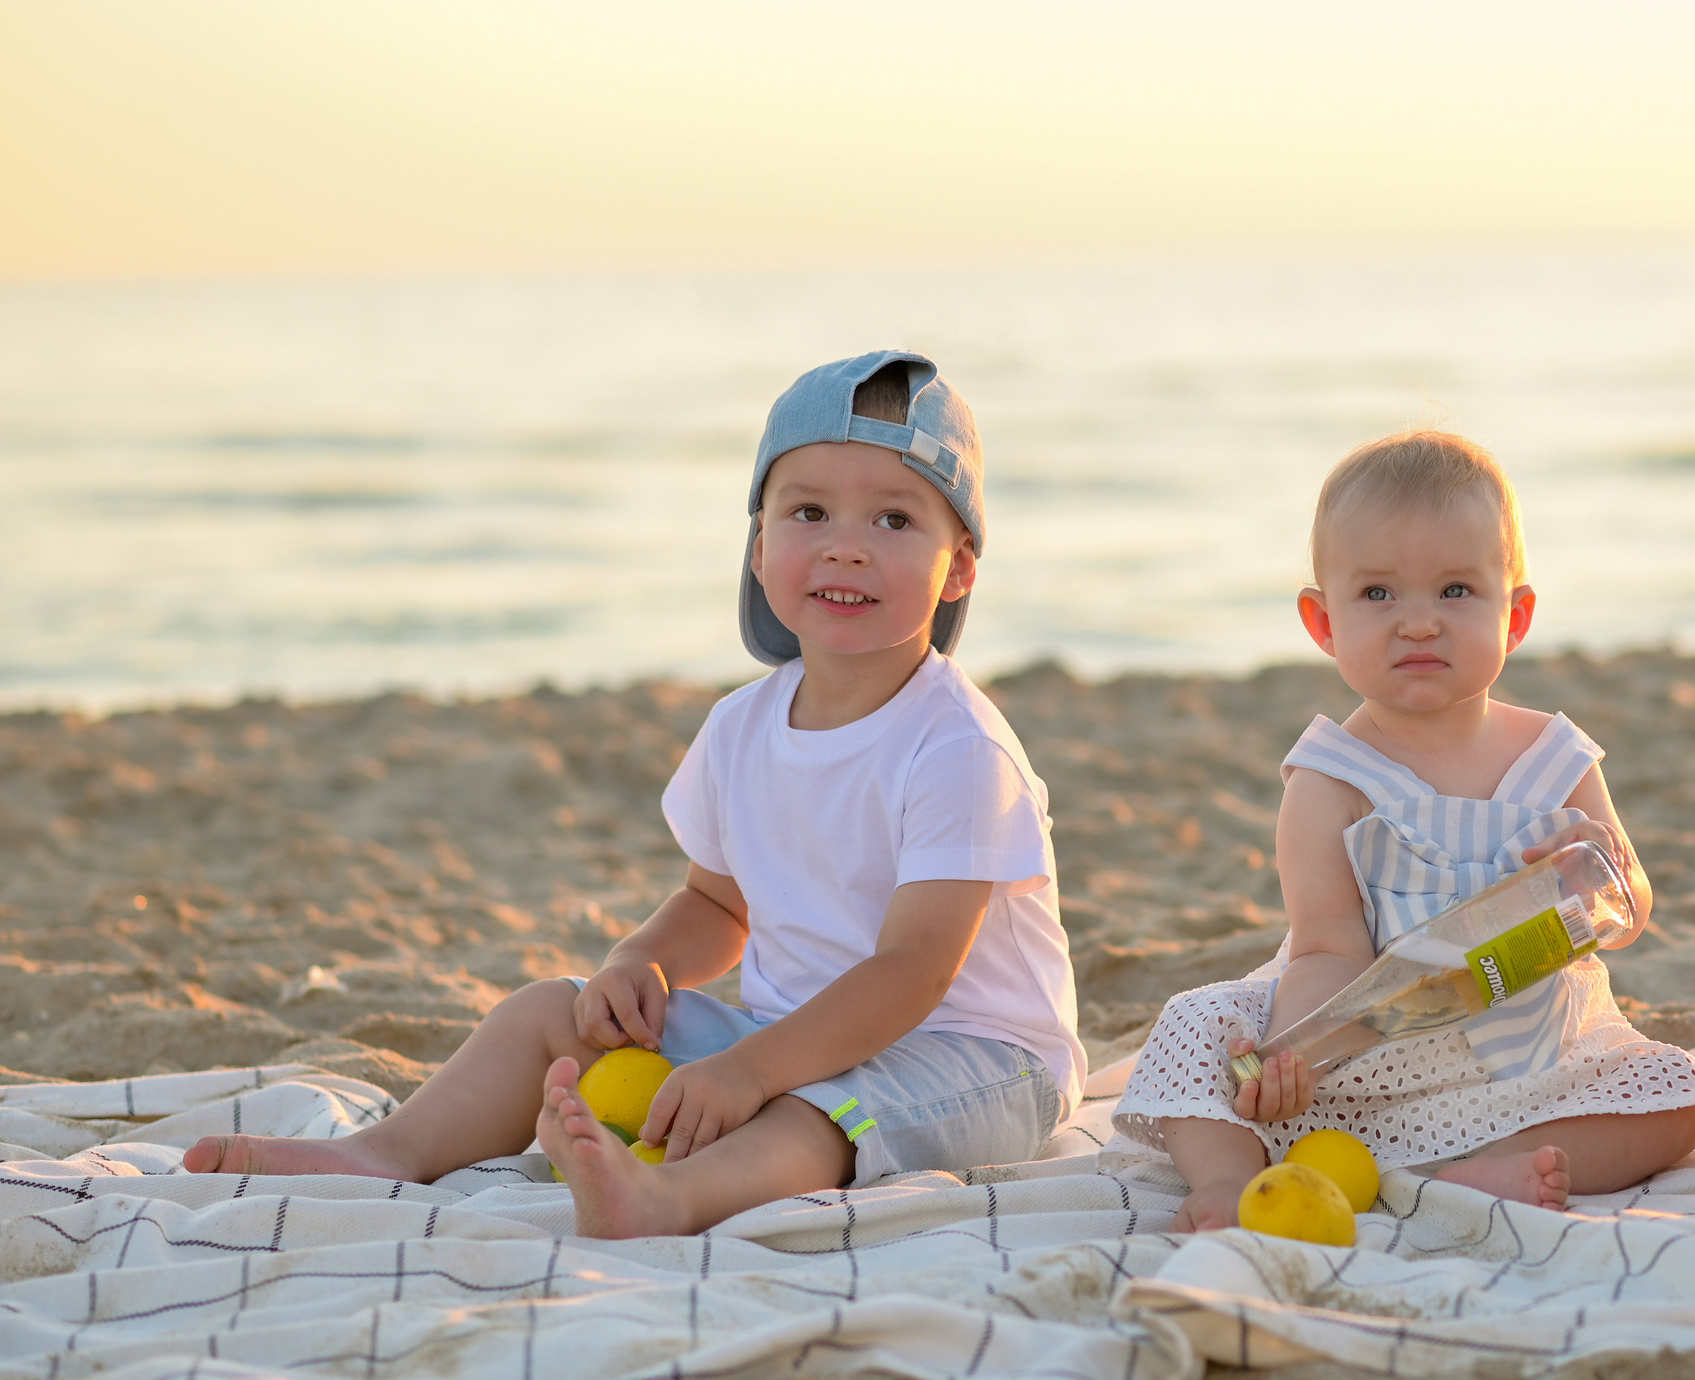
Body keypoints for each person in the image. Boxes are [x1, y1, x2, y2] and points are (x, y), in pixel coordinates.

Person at [184, 352, 1083, 1238]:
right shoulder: (741, 727)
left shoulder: (957, 746)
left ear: (959, 567)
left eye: (894, 519)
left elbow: (913, 970)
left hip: (975, 1058)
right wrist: (644, 965)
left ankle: (666, 1202)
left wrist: (751, 1072)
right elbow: (715, 901)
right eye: (809, 510)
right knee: (550, 1011)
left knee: (818, 1114)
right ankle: (386, 1154)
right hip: (789, 1032)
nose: (847, 543)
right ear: (761, 544)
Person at [1109, 430, 1695, 1230]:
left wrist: (1599, 869)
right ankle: (1229, 1182)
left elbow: (1627, 907)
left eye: (1455, 591)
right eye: (1377, 595)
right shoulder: (1331, 780)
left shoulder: (1556, 757)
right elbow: (1327, 944)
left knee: (1679, 1102)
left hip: (1530, 1046)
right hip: (1371, 1041)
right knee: (1199, 1030)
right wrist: (1299, 1057)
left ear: (1517, 615)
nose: (1417, 624)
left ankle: (1465, 1171)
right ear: (1322, 621)